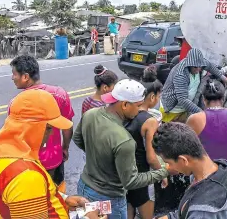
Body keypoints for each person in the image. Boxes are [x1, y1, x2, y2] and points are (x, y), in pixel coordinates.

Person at [0, 89, 99, 219]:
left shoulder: (0, 150)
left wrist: (64, 199)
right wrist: (88, 218)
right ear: (31, 127)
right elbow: (28, 190)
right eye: (49, 128)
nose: (50, 134)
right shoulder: (26, 176)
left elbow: (33, 196)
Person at [73, 79, 170, 219]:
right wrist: (164, 172)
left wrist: (98, 156)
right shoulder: (124, 140)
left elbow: (78, 139)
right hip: (109, 199)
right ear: (124, 104)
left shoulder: (91, 114)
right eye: (137, 106)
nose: (138, 111)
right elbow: (131, 182)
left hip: (84, 187)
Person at [153, 122, 227, 219]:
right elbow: (184, 212)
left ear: (183, 160)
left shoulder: (203, 211)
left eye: (169, 163)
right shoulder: (219, 169)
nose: (168, 167)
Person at [10, 55, 74, 190]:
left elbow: (15, 138)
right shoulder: (59, 94)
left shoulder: (18, 103)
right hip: (54, 159)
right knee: (58, 196)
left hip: (30, 164)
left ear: (25, 77)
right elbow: (67, 127)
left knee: (36, 201)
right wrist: (65, 147)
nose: (12, 78)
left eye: (14, 74)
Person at [125, 66, 168, 219]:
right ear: (152, 97)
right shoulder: (150, 121)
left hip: (126, 172)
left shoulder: (127, 113)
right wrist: (163, 174)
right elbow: (151, 157)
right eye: (158, 96)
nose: (158, 100)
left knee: (128, 210)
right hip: (143, 175)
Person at [160, 48, 227, 123]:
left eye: (200, 67)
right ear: (189, 64)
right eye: (195, 67)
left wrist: (224, 78)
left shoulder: (199, 64)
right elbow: (183, 100)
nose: (198, 69)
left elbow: (210, 67)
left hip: (185, 109)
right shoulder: (180, 74)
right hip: (172, 110)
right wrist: (202, 114)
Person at [186, 79, 227, 163]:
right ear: (223, 98)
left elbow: (187, 148)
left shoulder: (194, 119)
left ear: (204, 99)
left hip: (206, 171)